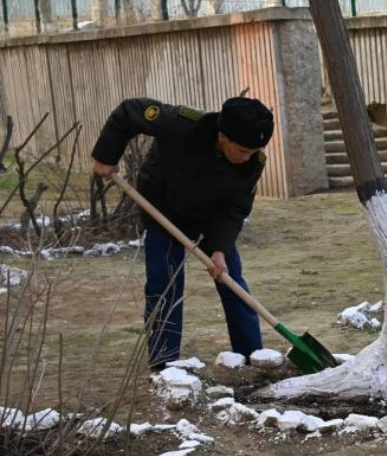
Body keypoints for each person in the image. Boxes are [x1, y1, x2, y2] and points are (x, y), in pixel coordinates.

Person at [90, 97, 275, 371]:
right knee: (163, 283)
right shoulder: (181, 124)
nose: (248, 157)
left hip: (210, 219)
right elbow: (129, 112)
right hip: (163, 210)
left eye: (253, 151)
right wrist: (106, 155)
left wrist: (220, 249)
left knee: (231, 278)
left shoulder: (253, 161)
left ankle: (251, 356)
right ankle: (164, 364)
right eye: (242, 150)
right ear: (222, 136)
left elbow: (235, 209)